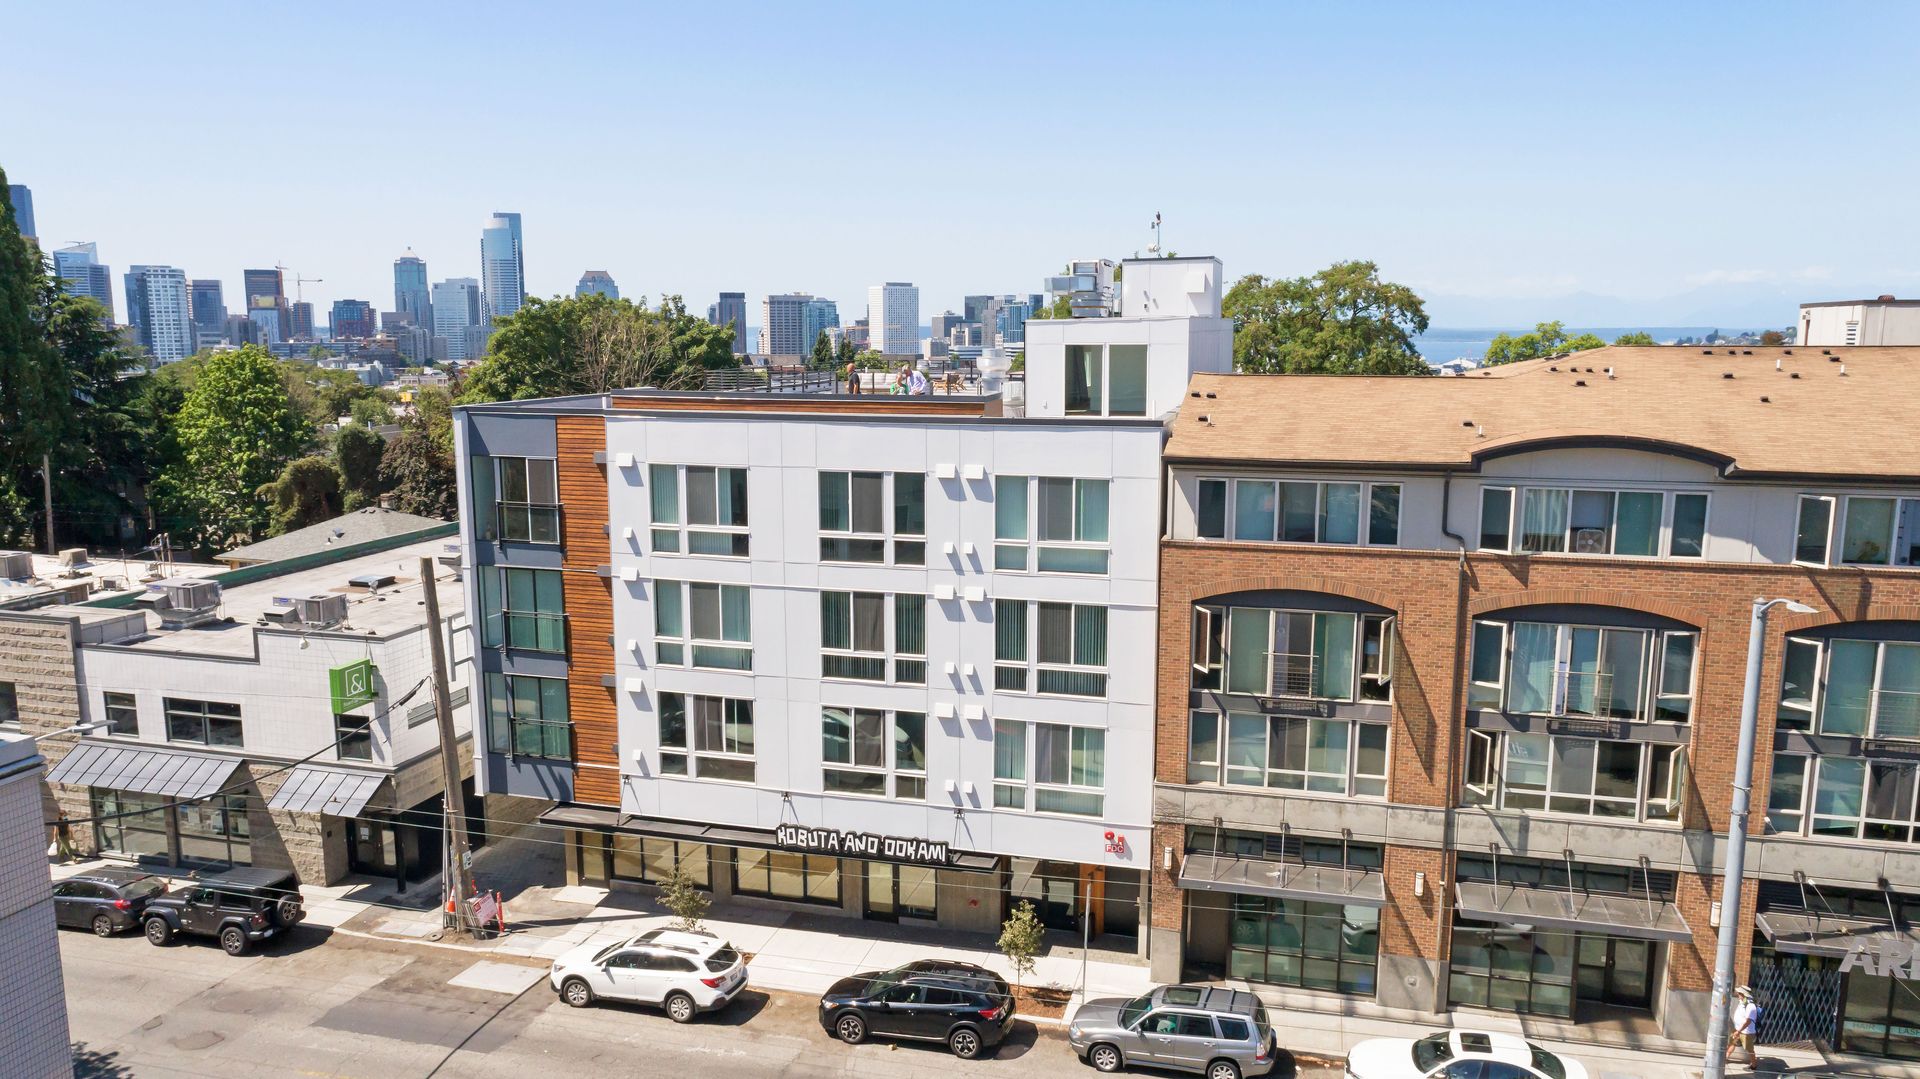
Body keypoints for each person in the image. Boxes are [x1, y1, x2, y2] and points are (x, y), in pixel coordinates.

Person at [1728, 985, 1760, 1069]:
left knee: (1749, 1049)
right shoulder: (1742, 1002)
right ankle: (1725, 1058)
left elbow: (1748, 1021)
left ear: (1744, 994)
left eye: (1739, 993)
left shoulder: (1751, 1006)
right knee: (1732, 1043)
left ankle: (1754, 1065)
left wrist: (1739, 1031)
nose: (1738, 994)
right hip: (1737, 1029)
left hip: (1747, 1032)